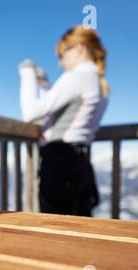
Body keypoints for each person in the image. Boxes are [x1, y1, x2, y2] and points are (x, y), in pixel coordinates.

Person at [18, 25, 109, 216]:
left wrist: (27, 74)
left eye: (62, 54)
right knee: (78, 225)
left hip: (60, 161)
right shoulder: (98, 82)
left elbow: (31, 112)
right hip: (80, 162)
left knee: (56, 228)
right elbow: (64, 110)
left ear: (78, 48)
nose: (60, 62)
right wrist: (45, 83)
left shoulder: (77, 77)